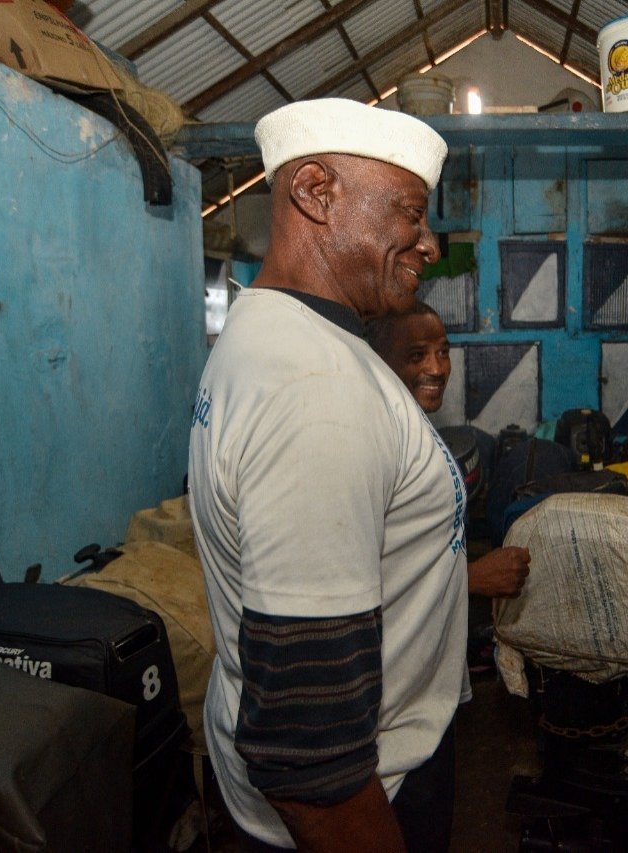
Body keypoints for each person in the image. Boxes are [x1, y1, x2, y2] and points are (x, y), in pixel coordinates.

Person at [188, 98, 467, 853]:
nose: (429, 244)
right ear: (315, 192)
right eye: (409, 213)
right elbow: (307, 748)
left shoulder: (268, 331)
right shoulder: (317, 385)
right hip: (361, 797)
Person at [364, 301, 531, 599]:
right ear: (380, 361)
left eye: (443, 352)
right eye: (417, 355)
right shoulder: (374, 446)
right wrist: (473, 579)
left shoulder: (418, 430)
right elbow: (358, 577)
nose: (438, 368)